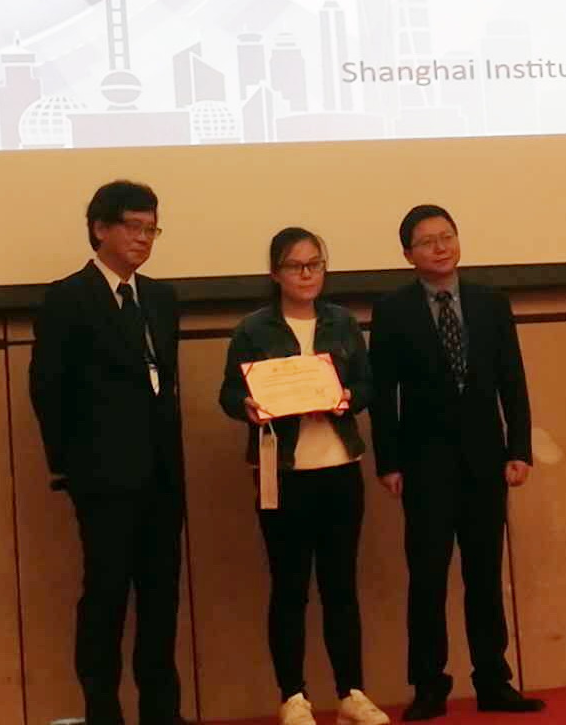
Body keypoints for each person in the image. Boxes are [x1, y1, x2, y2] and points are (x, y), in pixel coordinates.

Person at [369, 205, 545, 718]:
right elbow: (382, 393)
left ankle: (493, 681)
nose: (440, 247)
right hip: (423, 465)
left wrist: (519, 449)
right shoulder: (393, 310)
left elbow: (513, 380)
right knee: (427, 578)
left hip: (486, 460)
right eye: (427, 241)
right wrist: (388, 462)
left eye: (447, 236)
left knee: (485, 576)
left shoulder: (491, 303)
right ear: (408, 254)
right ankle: (429, 686)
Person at [29, 180, 188, 725]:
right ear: (100, 228)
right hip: (103, 478)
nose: (144, 238)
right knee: (106, 597)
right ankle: (104, 712)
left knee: (161, 598)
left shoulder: (161, 299)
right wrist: (69, 467)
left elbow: (164, 386)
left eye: (152, 229)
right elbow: (47, 388)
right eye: (133, 227)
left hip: (162, 476)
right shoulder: (68, 297)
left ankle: (162, 711)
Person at [220, 227, 391, 725]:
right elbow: (228, 394)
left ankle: (351, 693)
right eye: (296, 266)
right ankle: (293, 696)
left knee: (341, 585)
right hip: (283, 471)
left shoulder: (342, 322)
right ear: (275, 273)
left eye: (315, 264)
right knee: (289, 586)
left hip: (340, 467)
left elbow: (368, 383)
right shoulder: (253, 329)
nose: (307, 274)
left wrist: (348, 398)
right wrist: (247, 406)